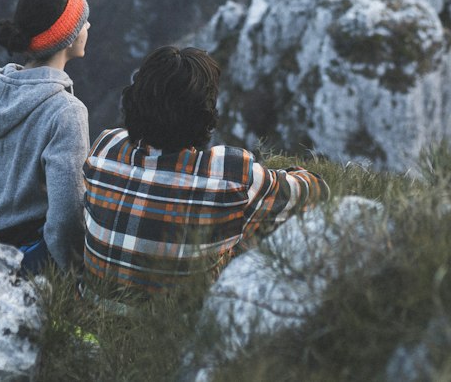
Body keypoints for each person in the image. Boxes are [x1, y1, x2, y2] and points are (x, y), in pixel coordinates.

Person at [83, 45, 329, 299]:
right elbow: (316, 191)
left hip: (94, 316)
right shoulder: (231, 174)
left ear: (136, 99)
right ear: (204, 112)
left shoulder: (105, 146)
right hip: (175, 330)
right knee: (244, 228)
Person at [0, 0, 91, 272]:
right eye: (83, 22)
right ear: (67, 37)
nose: (89, 26)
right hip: (24, 254)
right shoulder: (66, 112)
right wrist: (75, 272)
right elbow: (67, 214)